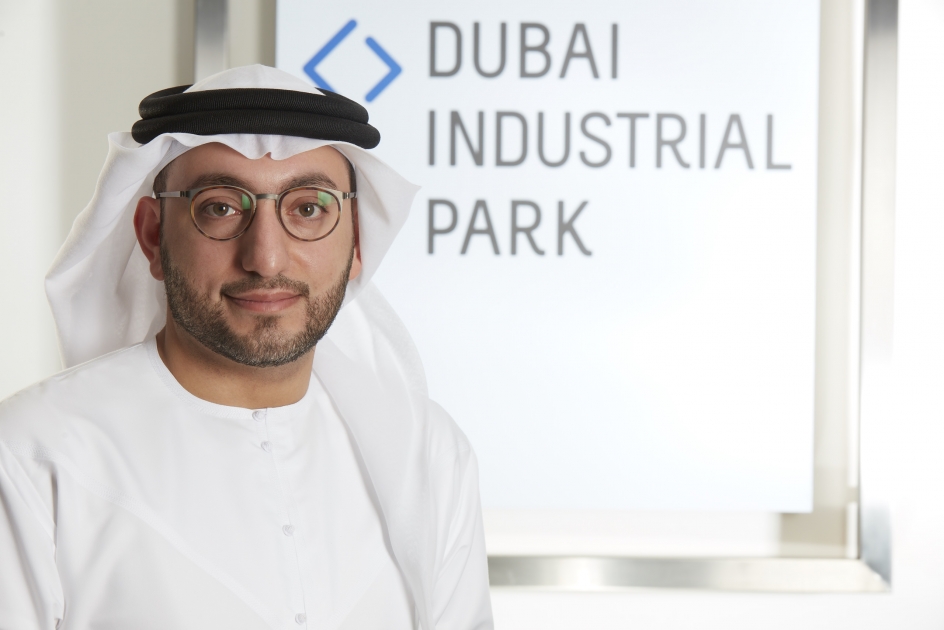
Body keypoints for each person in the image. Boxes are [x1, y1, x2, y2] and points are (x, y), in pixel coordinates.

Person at [0, 65, 493, 630]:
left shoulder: (429, 456)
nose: (266, 258)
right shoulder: (32, 455)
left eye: (308, 208)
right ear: (153, 236)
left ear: (358, 239)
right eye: (221, 207)